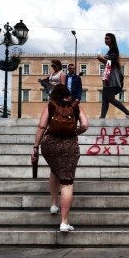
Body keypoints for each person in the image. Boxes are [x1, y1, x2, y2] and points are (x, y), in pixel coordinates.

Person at [31, 84, 89, 232]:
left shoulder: (50, 105)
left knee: (55, 170)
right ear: (67, 94)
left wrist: (35, 147)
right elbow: (85, 125)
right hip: (69, 145)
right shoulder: (75, 106)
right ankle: (64, 222)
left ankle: (53, 204)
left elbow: (41, 127)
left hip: (50, 144)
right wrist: (74, 132)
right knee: (67, 182)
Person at [97, 32, 129, 119]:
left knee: (110, 98)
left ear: (112, 39)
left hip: (112, 77)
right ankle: (102, 117)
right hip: (108, 76)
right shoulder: (110, 50)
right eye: (105, 39)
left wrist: (102, 59)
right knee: (105, 99)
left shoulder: (114, 50)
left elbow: (111, 64)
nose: (105, 40)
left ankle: (128, 113)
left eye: (107, 38)